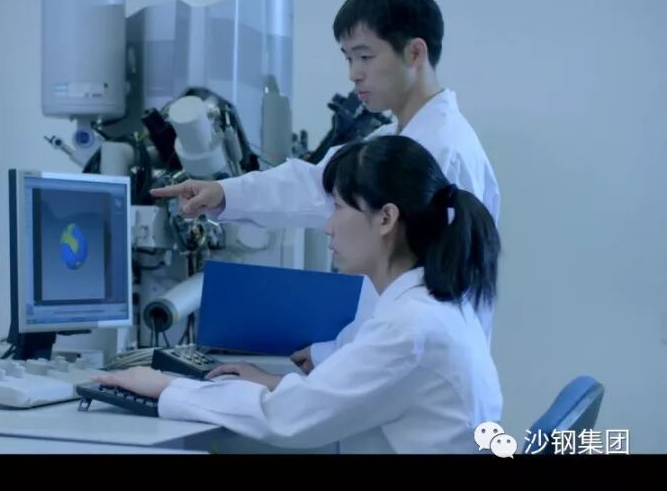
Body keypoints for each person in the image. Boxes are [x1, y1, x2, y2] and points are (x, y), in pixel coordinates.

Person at [151, 0, 500, 372]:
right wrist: (222, 192)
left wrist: (335, 358)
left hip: (418, 375)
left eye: (365, 57)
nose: (354, 74)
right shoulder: (395, 139)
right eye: (348, 58)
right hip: (393, 366)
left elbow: (420, 308)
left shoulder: (444, 151)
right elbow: (311, 185)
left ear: (414, 52)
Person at [97, 135, 503, 453]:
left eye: (339, 207)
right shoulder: (433, 307)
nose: (328, 226)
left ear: (386, 218)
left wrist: (166, 388)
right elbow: (328, 398)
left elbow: (287, 419)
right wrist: (275, 384)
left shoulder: (411, 326)